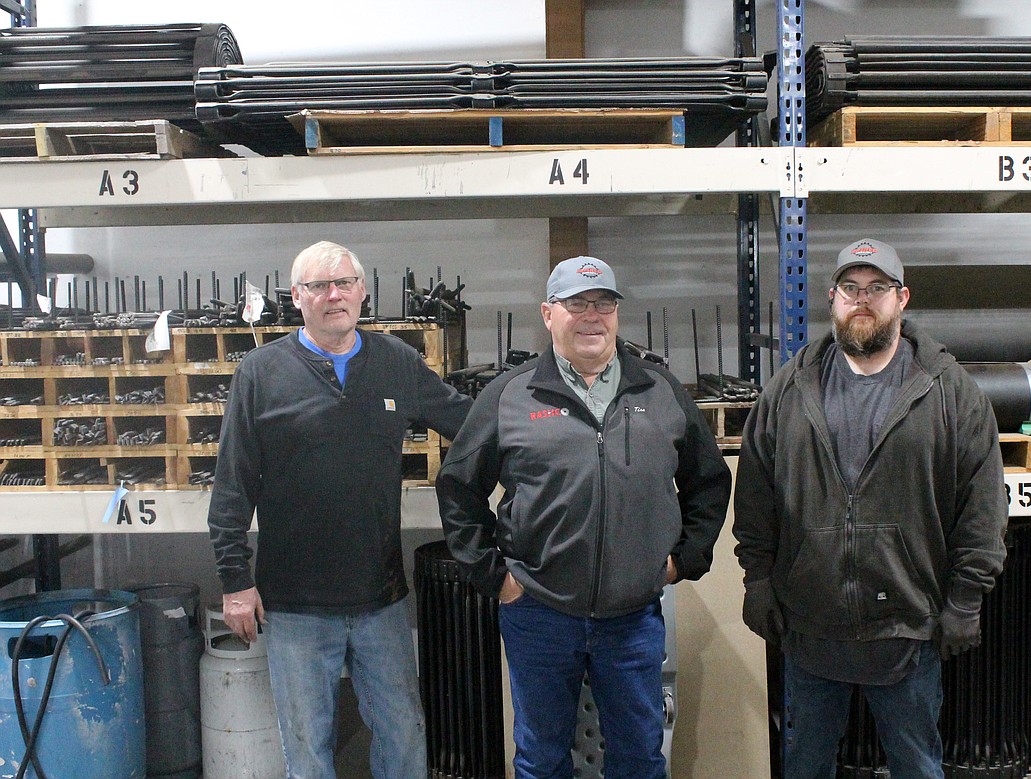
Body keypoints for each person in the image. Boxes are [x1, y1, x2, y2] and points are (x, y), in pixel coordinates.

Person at [436, 255, 731, 779]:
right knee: (542, 760)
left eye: (603, 304)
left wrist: (682, 560)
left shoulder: (658, 390)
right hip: (538, 613)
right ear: (549, 314)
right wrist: (495, 577)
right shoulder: (510, 394)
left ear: (616, 315)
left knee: (640, 757)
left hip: (632, 618)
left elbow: (708, 481)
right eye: (577, 304)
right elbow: (459, 488)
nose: (591, 316)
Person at [732, 238, 1008, 779]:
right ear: (832, 299)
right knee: (805, 764)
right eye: (851, 289)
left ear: (901, 299)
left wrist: (966, 599)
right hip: (810, 624)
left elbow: (981, 504)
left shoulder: (949, 392)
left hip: (907, 625)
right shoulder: (790, 389)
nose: (863, 300)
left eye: (877, 288)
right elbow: (756, 494)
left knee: (917, 765)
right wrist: (757, 580)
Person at [207, 240, 471, 779]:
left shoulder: (394, 361)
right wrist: (235, 581)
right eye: (318, 286)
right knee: (307, 751)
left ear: (363, 291)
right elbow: (232, 484)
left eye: (344, 283)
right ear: (296, 297)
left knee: (403, 738)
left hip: (382, 601)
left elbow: (466, 421)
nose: (334, 296)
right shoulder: (261, 372)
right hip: (295, 606)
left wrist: (541, 427)